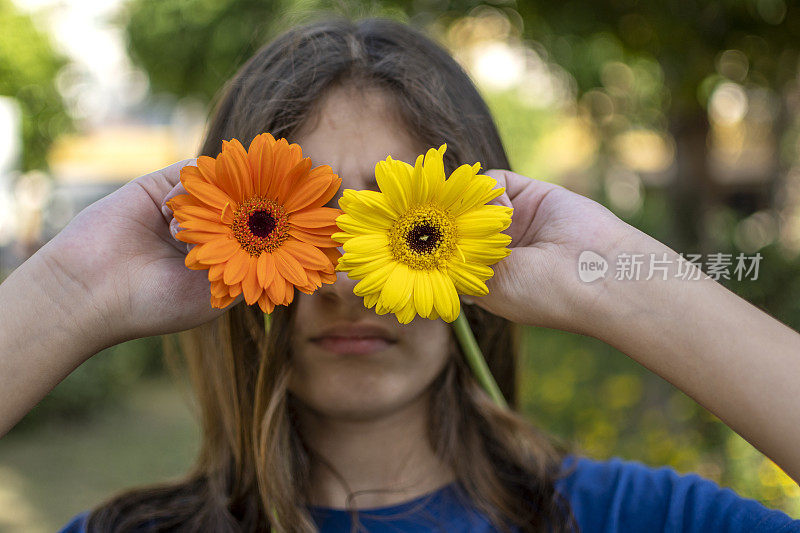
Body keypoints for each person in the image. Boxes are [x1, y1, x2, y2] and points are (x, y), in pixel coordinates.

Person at [0, 15, 798, 533]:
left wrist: (615, 277)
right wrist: (70, 291)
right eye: (307, 226)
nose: (347, 283)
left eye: (397, 228)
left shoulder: (629, 519)